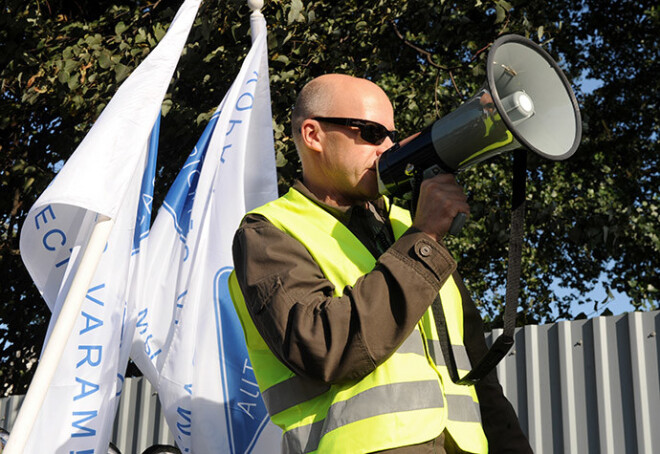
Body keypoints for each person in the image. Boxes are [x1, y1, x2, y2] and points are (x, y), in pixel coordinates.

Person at [230, 74, 532, 453]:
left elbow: (478, 375)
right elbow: (323, 347)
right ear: (313, 135)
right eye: (372, 133)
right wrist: (423, 240)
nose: (388, 147)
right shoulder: (269, 233)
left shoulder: (409, 225)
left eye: (391, 134)